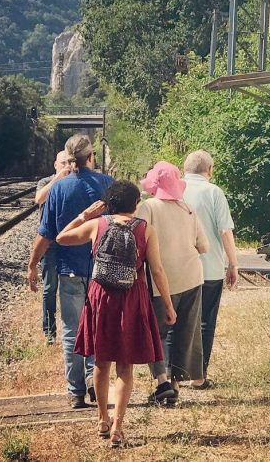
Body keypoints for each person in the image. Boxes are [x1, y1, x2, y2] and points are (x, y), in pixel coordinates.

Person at [57, 181, 177, 447]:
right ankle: (118, 427)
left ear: (108, 204)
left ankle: (102, 418)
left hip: (101, 297)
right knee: (125, 365)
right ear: (135, 204)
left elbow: (61, 238)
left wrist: (85, 215)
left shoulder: (97, 225)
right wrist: (168, 306)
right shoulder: (145, 230)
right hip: (132, 297)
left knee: (101, 361)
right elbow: (157, 271)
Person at [26, 134, 114, 408]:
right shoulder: (107, 185)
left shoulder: (59, 189)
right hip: (102, 269)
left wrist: (32, 265)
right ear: (91, 158)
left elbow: (45, 235)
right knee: (99, 328)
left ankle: (76, 391)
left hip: (69, 270)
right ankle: (93, 380)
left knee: (72, 330)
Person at [137, 161, 208, 405]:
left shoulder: (148, 207)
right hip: (191, 276)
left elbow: (137, 239)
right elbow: (204, 246)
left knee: (156, 331)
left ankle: (163, 382)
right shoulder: (188, 209)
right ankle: (176, 383)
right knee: (185, 331)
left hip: (161, 280)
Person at [181, 150, 238, 389]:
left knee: (180, 320)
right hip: (210, 269)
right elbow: (225, 230)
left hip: (180, 269)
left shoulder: (174, 190)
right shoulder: (214, 192)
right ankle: (198, 376)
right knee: (205, 322)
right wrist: (233, 263)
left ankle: (176, 373)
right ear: (210, 170)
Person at [34, 150, 71, 344]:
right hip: (49, 243)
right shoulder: (45, 182)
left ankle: (70, 329)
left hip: (69, 241)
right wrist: (57, 178)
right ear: (55, 164)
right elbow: (39, 199)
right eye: (62, 162)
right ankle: (49, 332)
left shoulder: (73, 182)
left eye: (69, 162)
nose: (66, 166)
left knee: (70, 287)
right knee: (49, 288)